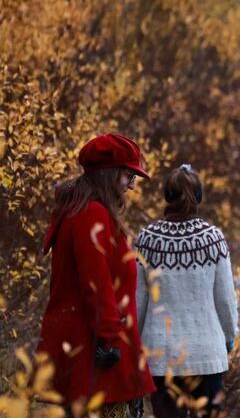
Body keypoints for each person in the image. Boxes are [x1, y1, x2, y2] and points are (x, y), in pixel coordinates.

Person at [38, 133, 156, 418]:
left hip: (92, 346)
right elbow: (96, 285)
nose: (132, 185)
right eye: (128, 175)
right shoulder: (90, 215)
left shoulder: (86, 211)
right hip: (95, 352)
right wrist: (112, 341)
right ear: (109, 174)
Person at [135, 164, 238, 418]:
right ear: (199, 197)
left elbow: (138, 302)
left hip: (161, 356)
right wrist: (229, 335)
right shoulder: (213, 239)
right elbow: (225, 300)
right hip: (207, 354)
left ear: (167, 196)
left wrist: (134, 344)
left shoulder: (146, 240)